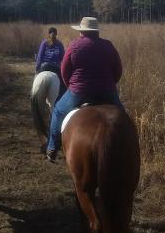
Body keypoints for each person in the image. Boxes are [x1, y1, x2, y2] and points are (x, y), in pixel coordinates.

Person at [46, 16, 123, 162]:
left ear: (82, 31)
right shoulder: (108, 45)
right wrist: (110, 84)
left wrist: (71, 86)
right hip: (107, 91)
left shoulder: (74, 45)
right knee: (124, 117)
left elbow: (64, 70)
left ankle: (52, 147)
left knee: (58, 110)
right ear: (97, 32)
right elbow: (118, 70)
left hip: (79, 91)